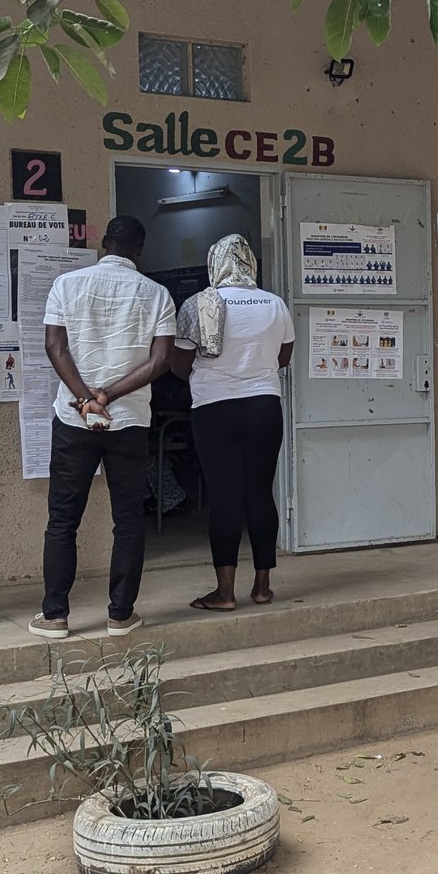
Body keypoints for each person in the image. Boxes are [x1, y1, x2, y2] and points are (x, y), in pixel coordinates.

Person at [31, 215, 177, 640]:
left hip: (73, 420)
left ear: (103, 242)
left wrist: (84, 398)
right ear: (139, 250)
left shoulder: (67, 285)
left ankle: (55, 616)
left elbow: (54, 346)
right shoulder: (157, 295)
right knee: (128, 520)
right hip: (128, 421)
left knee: (62, 520)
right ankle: (120, 615)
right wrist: (107, 397)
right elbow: (160, 361)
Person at [171, 234, 293, 612]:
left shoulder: (197, 304)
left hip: (214, 408)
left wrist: (209, 375)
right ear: (249, 262)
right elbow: (283, 356)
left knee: (224, 497)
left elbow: (177, 363)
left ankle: (224, 593)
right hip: (264, 406)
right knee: (259, 492)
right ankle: (262, 586)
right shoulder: (274, 304)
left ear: (215, 263)